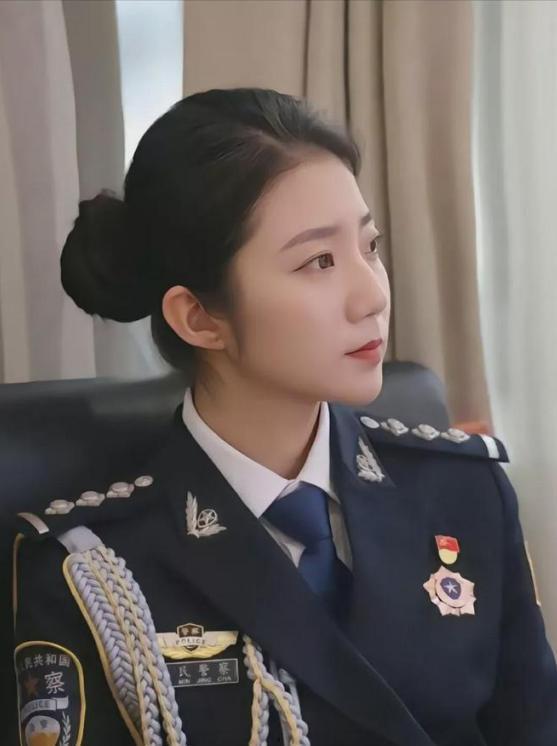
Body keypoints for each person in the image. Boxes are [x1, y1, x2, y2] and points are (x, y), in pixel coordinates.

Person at [8, 87, 557, 746]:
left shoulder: (463, 493)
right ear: (199, 317)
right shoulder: (90, 569)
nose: (371, 295)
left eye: (369, 246)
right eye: (318, 261)